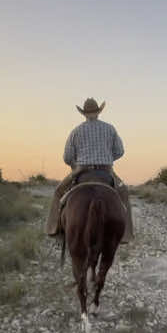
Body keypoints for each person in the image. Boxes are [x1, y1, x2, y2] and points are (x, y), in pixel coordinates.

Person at [45, 98, 134, 241]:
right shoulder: (110, 128)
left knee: (58, 192)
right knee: (124, 193)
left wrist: (75, 165)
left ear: (84, 114)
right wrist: (107, 159)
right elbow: (120, 151)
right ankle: (126, 235)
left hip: (81, 170)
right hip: (106, 170)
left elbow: (67, 157)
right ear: (98, 112)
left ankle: (55, 229)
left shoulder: (76, 131)